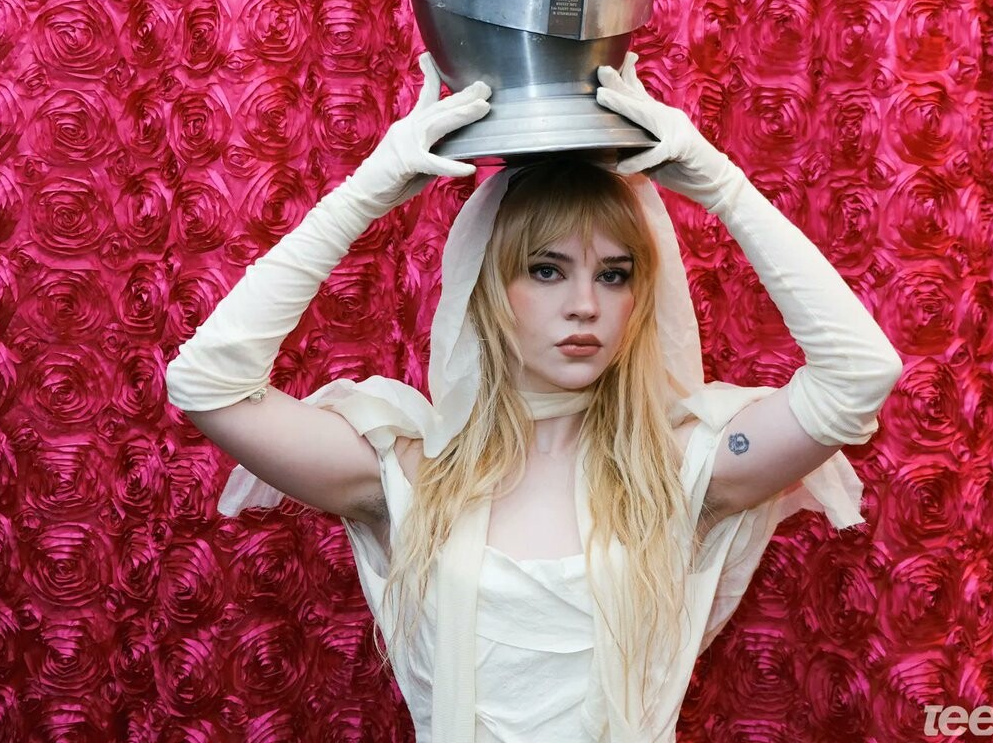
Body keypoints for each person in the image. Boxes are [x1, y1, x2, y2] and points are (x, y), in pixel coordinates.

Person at [164, 51, 904, 742]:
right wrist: (371, 187)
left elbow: (860, 375)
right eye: (547, 270)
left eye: (614, 274)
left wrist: (719, 184)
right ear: (490, 288)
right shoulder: (410, 475)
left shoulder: (680, 473)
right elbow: (205, 384)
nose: (585, 304)